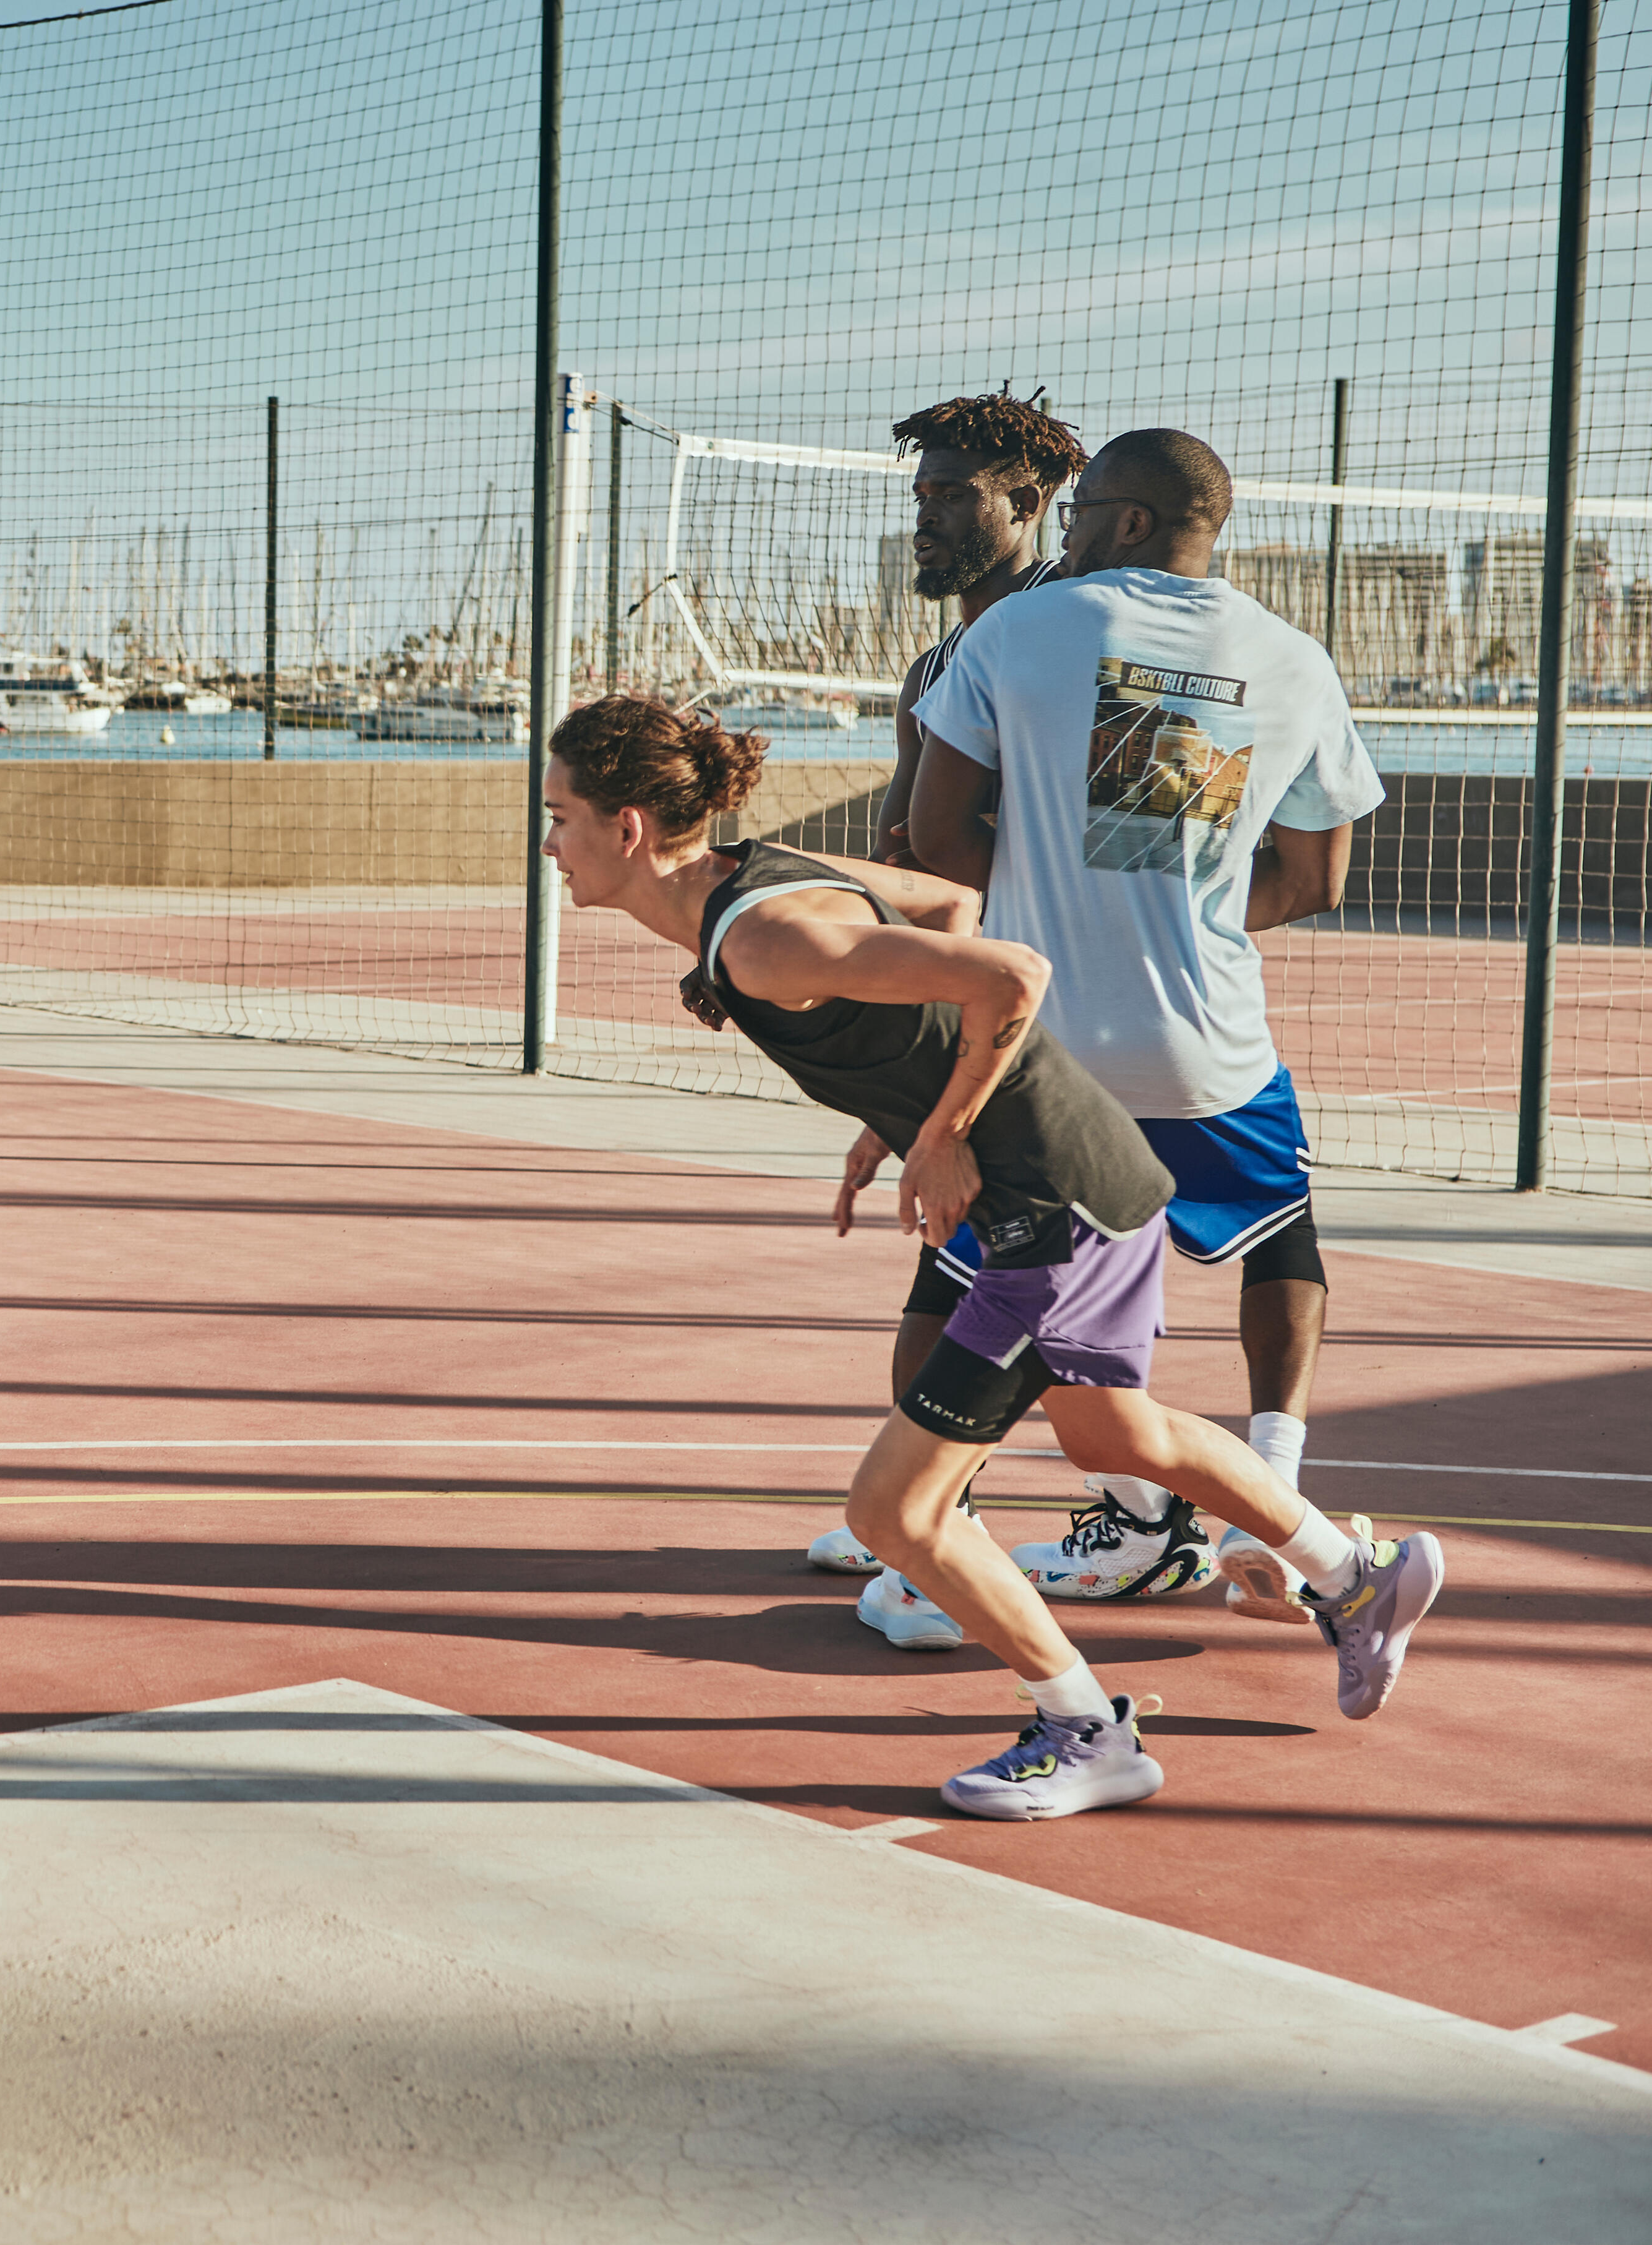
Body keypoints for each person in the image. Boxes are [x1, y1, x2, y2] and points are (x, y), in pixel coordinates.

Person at [544, 693, 1443, 1818]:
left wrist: (944, 1122)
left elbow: (1011, 972)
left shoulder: (764, 939)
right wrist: (907, 1103)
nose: (550, 843)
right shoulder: (752, 877)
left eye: (562, 815)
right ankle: (1356, 1579)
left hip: (1053, 1209)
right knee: (1111, 1429)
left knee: (896, 1515)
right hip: (1087, 1174)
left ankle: (1086, 1731)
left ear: (629, 830)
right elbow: (950, 900)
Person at [905, 429, 1386, 1625]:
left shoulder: (1011, 633)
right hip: (1207, 1046)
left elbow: (937, 835)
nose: (1061, 539)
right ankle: (1270, 1481)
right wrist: (1197, 913)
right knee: (1281, 1236)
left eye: (1079, 521)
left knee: (965, 1279)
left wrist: (1027, 922)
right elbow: (1317, 880)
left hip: (1047, 1047)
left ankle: (928, 1535)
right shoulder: (1294, 658)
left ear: (1123, 521)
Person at [800, 389, 1087, 1640]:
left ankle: (938, 1534)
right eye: (916, 496)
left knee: (1020, 1303)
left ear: (1025, 502)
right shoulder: (937, 662)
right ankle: (927, 1518)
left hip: (1054, 1011)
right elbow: (912, 850)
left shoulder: (1060, 639)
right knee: (978, 1294)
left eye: (947, 494)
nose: (921, 519)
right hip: (974, 1007)